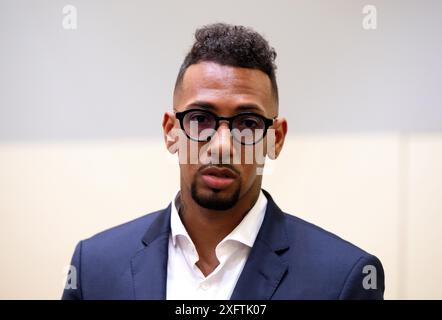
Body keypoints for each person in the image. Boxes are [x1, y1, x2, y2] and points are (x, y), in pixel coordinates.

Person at [62, 23, 385, 300]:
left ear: (276, 139)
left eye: (247, 124)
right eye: (200, 119)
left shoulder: (342, 278)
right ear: (171, 132)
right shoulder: (94, 267)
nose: (222, 146)